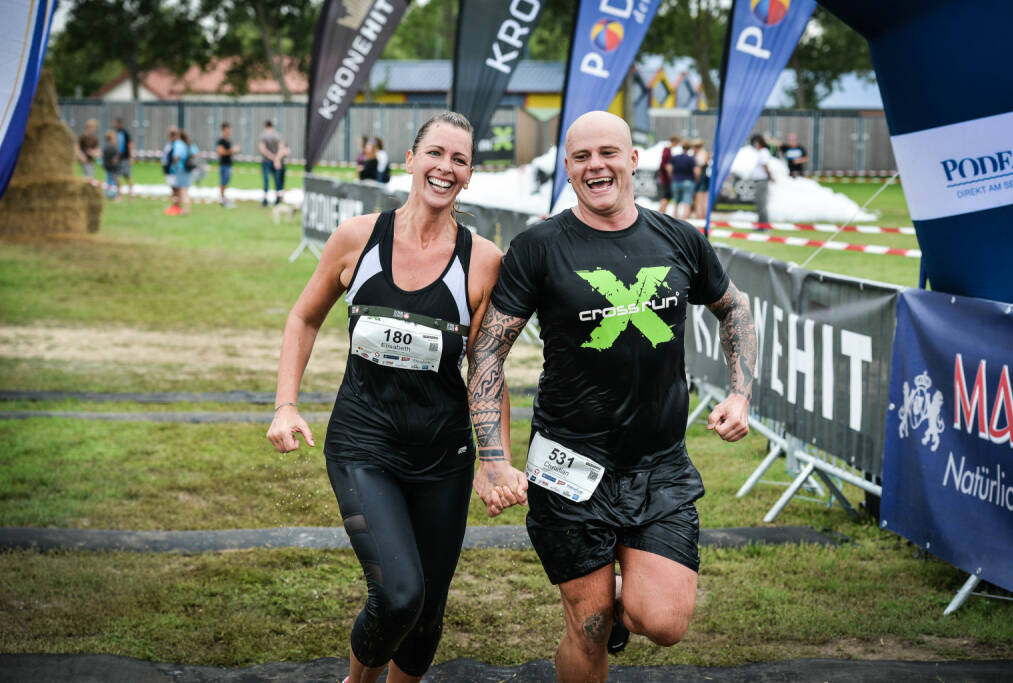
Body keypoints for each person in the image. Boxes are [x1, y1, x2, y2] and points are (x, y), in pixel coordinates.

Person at [467, 111, 756, 683]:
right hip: (569, 464)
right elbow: (487, 353)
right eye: (581, 157)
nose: (596, 165)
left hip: (659, 466)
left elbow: (734, 306)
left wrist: (741, 393)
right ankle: (592, 614)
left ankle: (612, 601)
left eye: (608, 153)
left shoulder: (677, 238)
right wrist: (493, 457)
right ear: (569, 170)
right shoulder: (539, 246)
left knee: (666, 621)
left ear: (633, 160)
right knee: (590, 625)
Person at [266, 111, 506, 683]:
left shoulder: (483, 260)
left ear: (469, 175)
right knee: (399, 594)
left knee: (425, 616)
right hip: (362, 443)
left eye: (460, 160)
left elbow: (486, 367)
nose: (445, 168)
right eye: (436, 154)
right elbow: (303, 316)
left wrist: (492, 460)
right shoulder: (358, 237)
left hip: (443, 455)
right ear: (410, 160)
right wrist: (285, 404)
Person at [258, 120, 287, 206]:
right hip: (277, 162)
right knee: (277, 181)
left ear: (266, 126)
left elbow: (262, 149)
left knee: (266, 180)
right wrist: (276, 159)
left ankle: (265, 200)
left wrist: (271, 157)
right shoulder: (277, 135)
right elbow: (281, 148)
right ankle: (278, 199)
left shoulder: (263, 136)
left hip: (266, 161)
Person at [750, 134, 774, 228]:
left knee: (762, 203)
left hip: (761, 181)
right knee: (759, 204)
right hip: (758, 180)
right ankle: (761, 224)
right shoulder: (761, 152)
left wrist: (769, 176)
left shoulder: (763, 152)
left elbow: (765, 166)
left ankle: (764, 225)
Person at [670, 140, 697, 221]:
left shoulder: (675, 157)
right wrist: (696, 179)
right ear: (689, 149)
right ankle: (685, 221)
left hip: (676, 180)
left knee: (676, 202)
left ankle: (674, 220)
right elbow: (696, 171)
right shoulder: (691, 159)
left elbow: (669, 168)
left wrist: (672, 176)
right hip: (688, 181)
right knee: (687, 202)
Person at [216, 122, 240, 208]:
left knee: (226, 182)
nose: (229, 130)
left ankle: (224, 198)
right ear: (223, 129)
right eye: (228, 128)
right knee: (223, 182)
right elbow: (220, 152)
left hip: (228, 164)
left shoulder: (228, 140)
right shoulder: (221, 141)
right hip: (223, 164)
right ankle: (222, 199)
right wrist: (232, 150)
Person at [656, 135, 680, 214]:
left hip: (665, 178)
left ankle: (662, 213)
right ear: (674, 142)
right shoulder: (667, 151)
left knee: (667, 197)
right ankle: (660, 214)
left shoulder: (667, 151)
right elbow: (665, 165)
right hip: (666, 178)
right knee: (666, 197)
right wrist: (671, 176)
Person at [113, 118, 134, 198]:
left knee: (125, 176)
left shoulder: (124, 133)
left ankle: (124, 195)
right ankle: (127, 195)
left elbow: (128, 145)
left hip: (124, 158)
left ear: (119, 124)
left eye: (115, 123)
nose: (114, 125)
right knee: (124, 176)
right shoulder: (119, 133)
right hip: (122, 158)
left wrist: (131, 157)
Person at [692, 139, 711, 220]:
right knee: (705, 200)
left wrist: (696, 179)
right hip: (706, 178)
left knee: (699, 200)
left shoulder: (698, 155)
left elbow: (698, 170)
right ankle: (704, 217)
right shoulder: (705, 153)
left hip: (701, 178)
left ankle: (699, 217)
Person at [77, 119, 100, 183]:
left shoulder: (95, 138)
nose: (94, 129)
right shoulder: (83, 136)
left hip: (91, 161)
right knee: (88, 177)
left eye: (95, 127)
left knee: (89, 177)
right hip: (84, 160)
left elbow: (98, 149)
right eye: (93, 127)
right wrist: (81, 156)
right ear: (89, 127)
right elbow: (77, 147)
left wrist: (93, 152)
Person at [100, 130, 120, 200]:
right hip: (112, 169)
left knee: (108, 182)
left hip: (108, 168)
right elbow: (115, 159)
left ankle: (106, 195)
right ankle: (114, 196)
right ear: (111, 139)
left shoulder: (106, 147)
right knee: (113, 183)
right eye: (114, 138)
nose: (116, 140)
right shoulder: (112, 148)